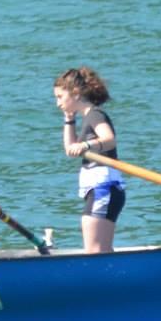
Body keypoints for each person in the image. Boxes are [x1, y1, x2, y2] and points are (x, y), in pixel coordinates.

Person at [54, 66, 124, 253]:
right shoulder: (86, 117)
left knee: (94, 251)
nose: (57, 103)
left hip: (103, 188)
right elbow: (70, 150)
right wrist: (69, 120)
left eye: (60, 97)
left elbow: (108, 139)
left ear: (75, 94)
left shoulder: (95, 114)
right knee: (101, 250)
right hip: (102, 190)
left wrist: (85, 145)